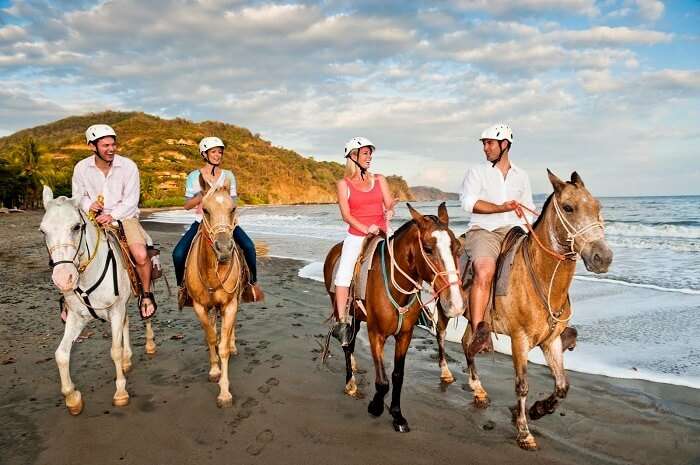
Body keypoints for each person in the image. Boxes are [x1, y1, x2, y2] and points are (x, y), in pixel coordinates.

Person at [459, 123, 535, 356]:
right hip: (485, 231)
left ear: (505, 145)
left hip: (514, 231)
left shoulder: (522, 175)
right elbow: (468, 203)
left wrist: (530, 226)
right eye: (484, 143)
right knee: (485, 270)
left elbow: (530, 207)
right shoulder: (476, 172)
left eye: (489, 143)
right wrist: (500, 208)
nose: (485, 148)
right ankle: (478, 333)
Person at [72, 124, 156, 320]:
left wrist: (112, 216)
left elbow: (131, 200)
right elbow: (78, 195)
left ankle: (146, 294)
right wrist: (88, 204)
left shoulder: (128, 166)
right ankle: (68, 298)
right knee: (70, 251)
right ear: (92, 146)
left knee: (141, 254)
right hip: (92, 217)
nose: (111, 149)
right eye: (105, 145)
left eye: (113, 144)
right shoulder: (81, 168)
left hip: (124, 217)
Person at [172, 136, 263, 306]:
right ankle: (184, 289)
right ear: (204, 154)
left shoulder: (228, 175)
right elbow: (186, 205)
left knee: (249, 246)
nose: (218, 155)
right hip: (202, 221)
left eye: (220, 152)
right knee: (177, 254)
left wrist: (230, 216)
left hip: (226, 223)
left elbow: (233, 202)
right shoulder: (194, 177)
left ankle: (252, 283)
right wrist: (201, 196)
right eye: (213, 152)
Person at [332, 137, 396, 346]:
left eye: (370, 153)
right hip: (358, 234)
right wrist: (365, 229)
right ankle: (341, 322)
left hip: (382, 232)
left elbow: (388, 204)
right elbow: (346, 215)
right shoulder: (343, 184)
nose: (370, 157)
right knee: (343, 275)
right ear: (353, 156)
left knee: (407, 262)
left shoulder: (380, 179)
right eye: (365, 154)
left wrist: (390, 211)